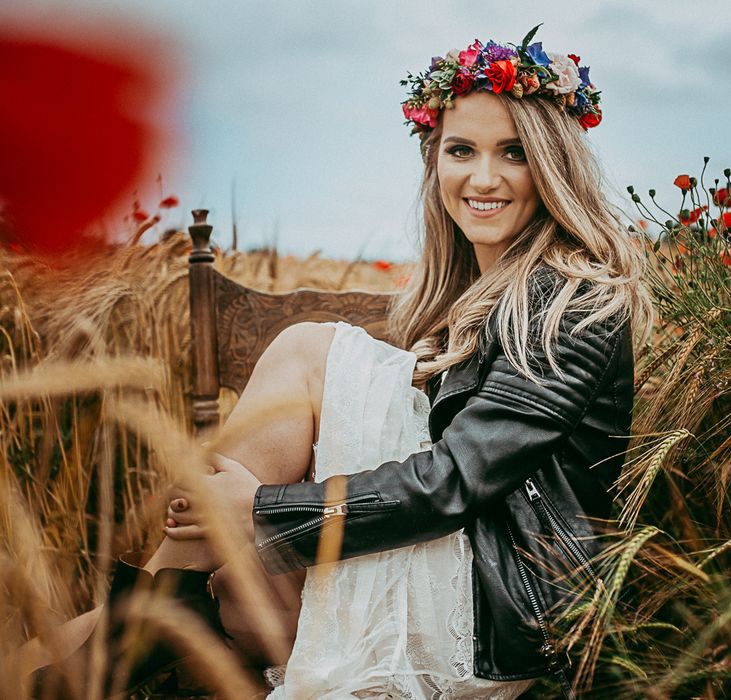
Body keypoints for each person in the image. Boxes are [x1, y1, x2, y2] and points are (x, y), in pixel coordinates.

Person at [25, 26, 653, 699]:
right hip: (446, 576)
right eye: (460, 150)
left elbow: (456, 479)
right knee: (220, 588)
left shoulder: (573, 298)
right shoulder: (473, 295)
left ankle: (148, 615)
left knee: (305, 351)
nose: (483, 177)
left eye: (515, 153)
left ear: (554, 166)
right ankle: (153, 615)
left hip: (498, 618)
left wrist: (260, 508)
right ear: (433, 161)